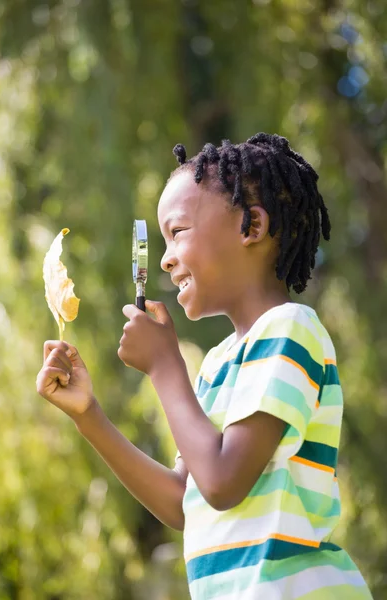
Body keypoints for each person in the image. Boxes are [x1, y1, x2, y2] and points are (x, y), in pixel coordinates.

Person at [36, 133, 373, 599]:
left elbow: (221, 482)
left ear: (250, 226)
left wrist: (164, 366)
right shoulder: (217, 363)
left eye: (178, 232)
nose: (167, 258)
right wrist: (87, 415)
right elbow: (185, 502)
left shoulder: (291, 330)